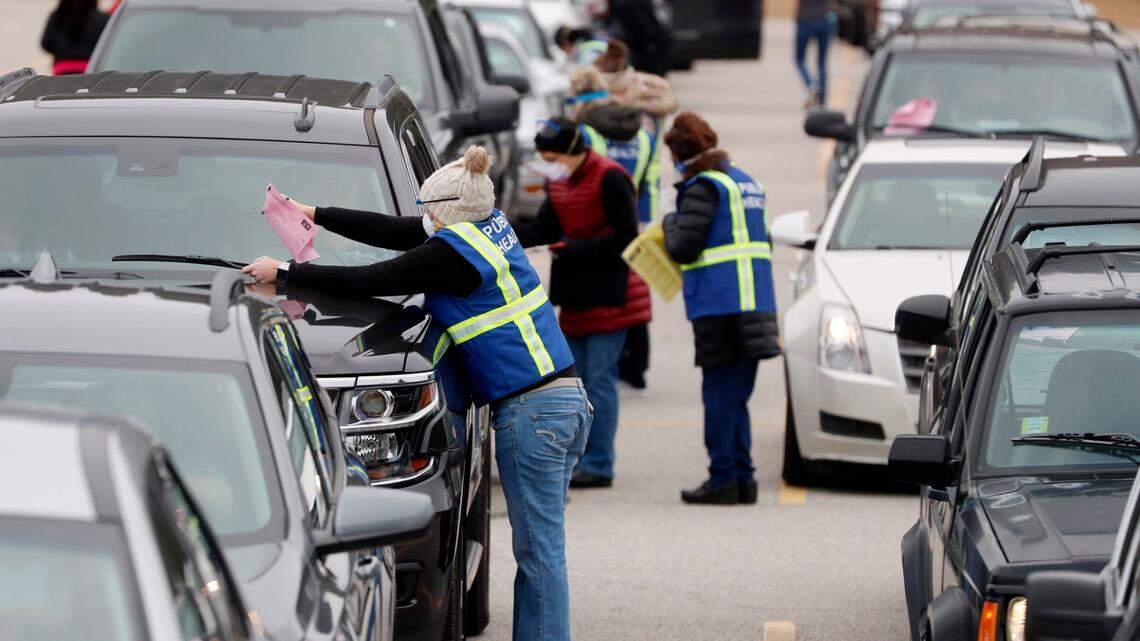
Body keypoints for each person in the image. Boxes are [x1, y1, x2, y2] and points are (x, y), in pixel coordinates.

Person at [243, 146, 592, 641]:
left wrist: (288, 274)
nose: (424, 218)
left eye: (430, 210)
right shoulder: (487, 225)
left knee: (539, 554)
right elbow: (395, 230)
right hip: (563, 401)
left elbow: (376, 279)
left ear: (447, 209)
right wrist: (312, 213)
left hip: (533, 415)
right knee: (544, 548)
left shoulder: (452, 255)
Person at [513, 118, 646, 489]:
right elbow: (543, 228)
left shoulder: (610, 177)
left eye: (555, 156)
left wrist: (575, 248)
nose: (551, 164)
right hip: (575, 295)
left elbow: (625, 238)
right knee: (575, 386)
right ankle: (578, 459)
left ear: (574, 151)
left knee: (600, 381)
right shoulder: (560, 182)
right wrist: (500, 233)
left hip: (611, 292)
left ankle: (600, 464)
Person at [661, 112, 780, 505]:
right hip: (756, 303)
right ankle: (743, 478)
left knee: (719, 397)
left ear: (680, 153)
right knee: (735, 396)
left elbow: (682, 246)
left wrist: (669, 219)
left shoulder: (701, 188)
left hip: (721, 306)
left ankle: (724, 478)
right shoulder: (744, 182)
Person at [568, 66, 655, 390]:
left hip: (598, 225)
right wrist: (648, 221)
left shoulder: (589, 136)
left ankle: (605, 363)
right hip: (636, 221)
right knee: (634, 298)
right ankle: (637, 365)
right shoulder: (644, 138)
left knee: (607, 297)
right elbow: (651, 181)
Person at [40, 0, 110, 76]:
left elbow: (45, 44)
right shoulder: (103, 18)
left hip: (61, 70)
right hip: (91, 69)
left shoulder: (56, 16)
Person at [605, 0, 674, 77]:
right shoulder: (625, 4)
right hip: (651, 46)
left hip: (651, 51)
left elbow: (646, 30)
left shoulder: (629, 4)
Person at [795, 0, 837, 109]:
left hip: (805, 19)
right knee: (822, 63)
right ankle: (822, 101)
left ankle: (811, 85)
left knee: (799, 59)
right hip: (824, 19)